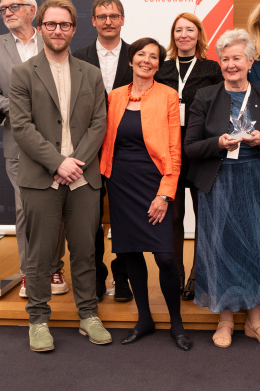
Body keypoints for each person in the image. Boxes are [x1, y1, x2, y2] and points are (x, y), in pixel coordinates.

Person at [9, 0, 110, 352]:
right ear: (39, 28)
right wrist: (57, 163)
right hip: (41, 178)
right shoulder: (23, 73)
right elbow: (21, 127)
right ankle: (38, 320)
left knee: (85, 251)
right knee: (40, 255)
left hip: (82, 178)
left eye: (64, 25)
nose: (57, 30)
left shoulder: (91, 74)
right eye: (50, 24)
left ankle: (88, 315)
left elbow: (99, 124)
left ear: (74, 29)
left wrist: (75, 163)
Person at [184, 29, 260, 349]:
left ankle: (255, 321)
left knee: (258, 247)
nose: (230, 64)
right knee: (221, 249)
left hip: (259, 181)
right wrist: (218, 143)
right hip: (219, 181)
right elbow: (190, 147)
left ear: (250, 61)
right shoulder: (205, 96)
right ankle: (225, 320)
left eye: (237, 58)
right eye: (225, 59)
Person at [100, 37, 192, 351]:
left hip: (154, 182)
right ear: (130, 60)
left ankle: (176, 323)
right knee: (130, 252)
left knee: (165, 257)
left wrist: (164, 195)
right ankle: (144, 320)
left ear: (158, 65)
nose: (147, 60)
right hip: (120, 182)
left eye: (154, 57)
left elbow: (175, 149)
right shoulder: (114, 96)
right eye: (141, 54)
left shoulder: (168, 95)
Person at [0, 0, 68, 299]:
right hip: (18, 144)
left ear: (32, 10)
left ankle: (54, 267)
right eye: (3, 8)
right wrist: (22, 106)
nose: (7, 12)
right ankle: (31, 273)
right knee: (26, 210)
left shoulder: (52, 38)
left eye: (13, 6)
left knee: (55, 208)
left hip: (59, 143)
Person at [155, 13, 224, 301]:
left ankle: (198, 274)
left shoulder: (212, 68)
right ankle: (176, 273)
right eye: (179, 30)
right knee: (173, 216)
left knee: (203, 215)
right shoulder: (161, 68)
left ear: (198, 35)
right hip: (168, 149)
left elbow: (221, 107)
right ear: (173, 35)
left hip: (200, 150)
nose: (184, 35)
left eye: (190, 30)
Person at [73, 0, 133, 303]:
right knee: (89, 218)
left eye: (113, 16)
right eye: (102, 16)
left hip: (128, 150)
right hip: (88, 150)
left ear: (122, 19)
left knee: (124, 217)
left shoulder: (138, 55)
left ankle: (122, 276)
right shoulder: (77, 57)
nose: (108, 21)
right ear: (93, 21)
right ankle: (95, 276)